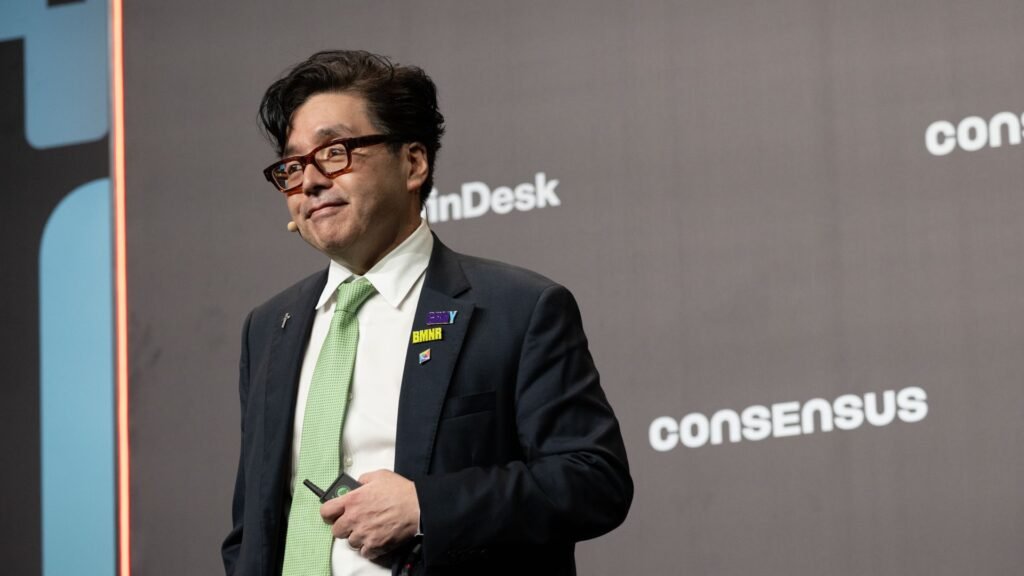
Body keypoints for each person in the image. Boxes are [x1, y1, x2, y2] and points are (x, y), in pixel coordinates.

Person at [221, 49, 632, 576]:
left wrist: (426, 507)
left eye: (335, 152)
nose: (312, 181)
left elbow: (593, 480)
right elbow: (253, 528)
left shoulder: (518, 308)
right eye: (294, 166)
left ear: (413, 163)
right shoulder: (268, 328)